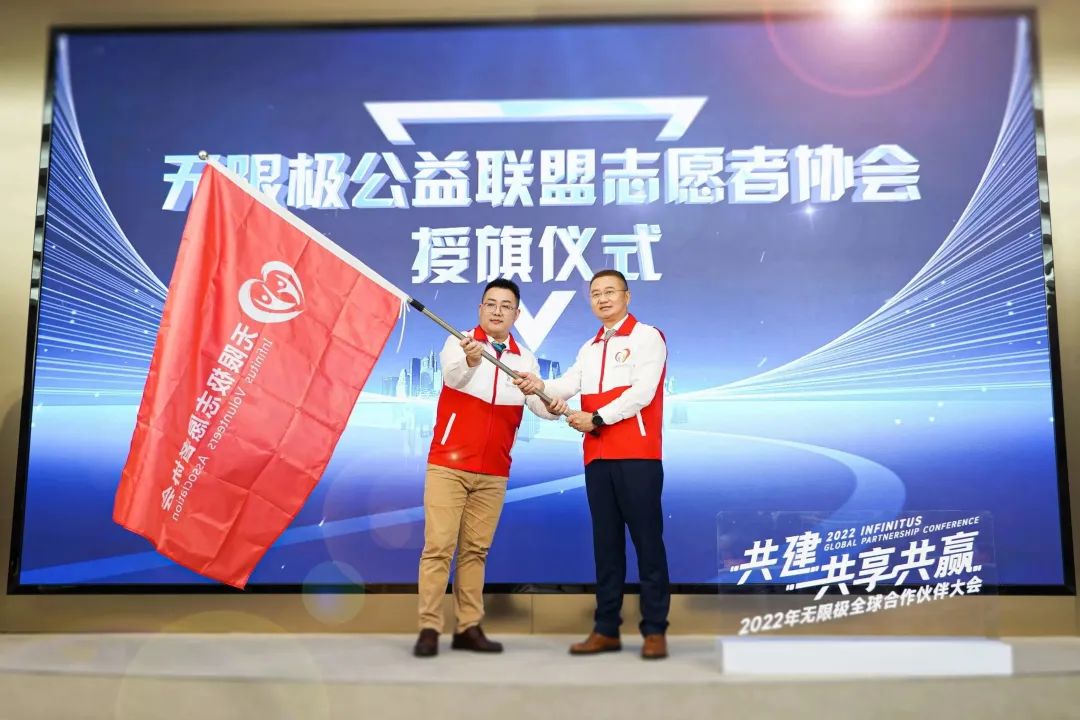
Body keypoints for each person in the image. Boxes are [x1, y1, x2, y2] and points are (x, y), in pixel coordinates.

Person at [528, 269, 671, 660]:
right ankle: (606, 628)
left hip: (638, 456)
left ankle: (655, 629)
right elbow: (562, 388)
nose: (603, 299)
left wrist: (597, 418)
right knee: (606, 547)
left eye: (610, 291)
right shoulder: (588, 349)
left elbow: (642, 393)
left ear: (627, 296)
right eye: (595, 294)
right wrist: (534, 387)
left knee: (648, 544)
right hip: (597, 458)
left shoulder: (647, 337)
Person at [413, 278, 553, 658]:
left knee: (475, 551)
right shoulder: (459, 342)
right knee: (438, 548)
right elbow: (453, 376)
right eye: (490, 303)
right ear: (480, 308)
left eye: (505, 306)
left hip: (494, 471)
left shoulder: (524, 358)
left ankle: (468, 627)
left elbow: (539, 407)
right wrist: (472, 360)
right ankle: (429, 627)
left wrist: (547, 397)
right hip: (448, 466)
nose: (497, 311)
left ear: (516, 314)